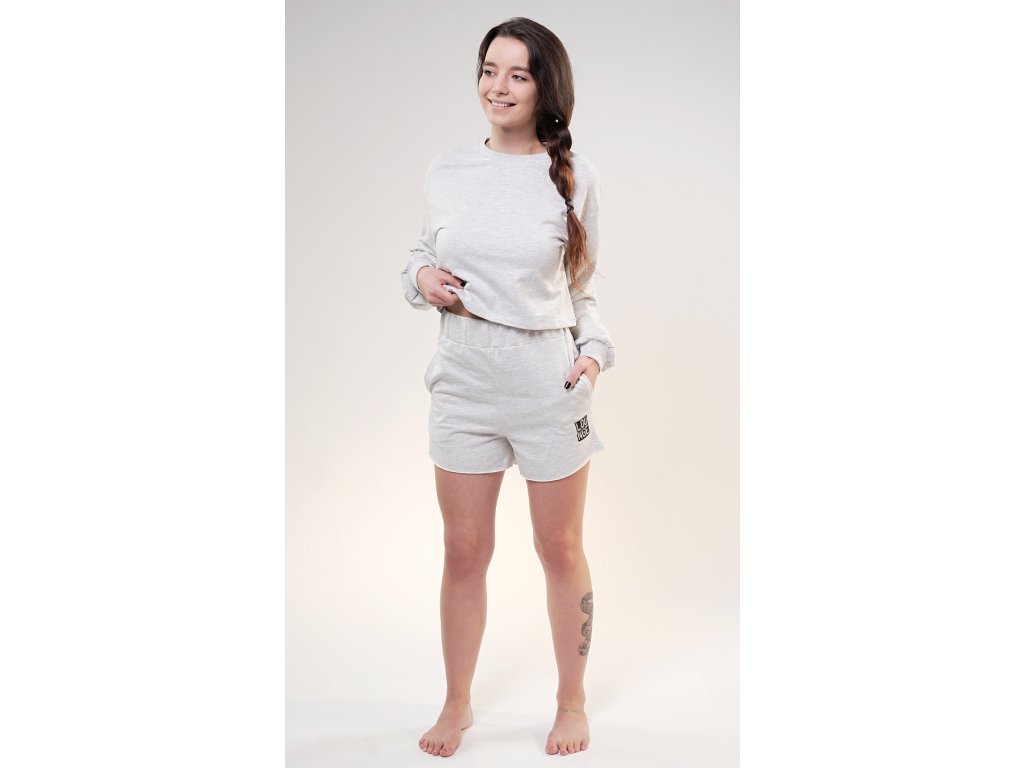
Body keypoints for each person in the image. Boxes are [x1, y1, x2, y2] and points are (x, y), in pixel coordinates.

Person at [399, 17, 616, 758]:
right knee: (463, 550)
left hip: (546, 385)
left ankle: (571, 701)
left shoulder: (576, 177)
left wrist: (594, 355)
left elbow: (583, 291)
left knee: (559, 546)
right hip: (462, 382)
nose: (498, 86)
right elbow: (419, 256)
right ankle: (456, 702)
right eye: (490, 69)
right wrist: (421, 277)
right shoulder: (447, 169)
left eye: (517, 74)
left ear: (544, 87)